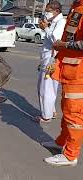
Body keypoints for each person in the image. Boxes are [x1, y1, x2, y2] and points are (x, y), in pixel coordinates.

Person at [43, 0, 83, 166]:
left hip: (78, 74)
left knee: (74, 115)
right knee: (67, 111)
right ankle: (61, 143)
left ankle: (70, 155)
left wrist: (63, 44)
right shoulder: (77, 7)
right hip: (69, 70)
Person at [36, 1, 66, 123]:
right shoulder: (54, 22)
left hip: (51, 60)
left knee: (45, 89)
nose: (46, 14)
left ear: (56, 11)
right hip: (48, 59)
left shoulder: (61, 22)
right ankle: (51, 111)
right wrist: (47, 27)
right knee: (49, 88)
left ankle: (46, 116)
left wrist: (46, 28)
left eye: (48, 11)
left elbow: (55, 40)